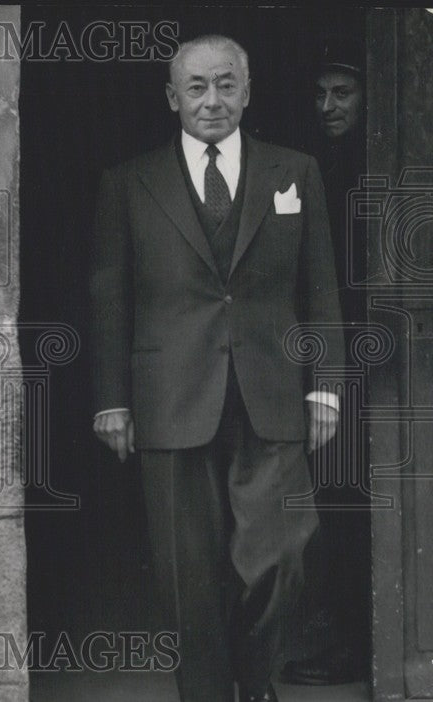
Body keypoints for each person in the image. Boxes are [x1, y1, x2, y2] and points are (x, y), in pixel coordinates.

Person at [90, 34, 344, 702]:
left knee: (285, 552)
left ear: (248, 90)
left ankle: (255, 680)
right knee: (187, 575)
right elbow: (110, 298)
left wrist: (326, 388)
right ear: (173, 98)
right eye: (197, 87)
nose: (213, 101)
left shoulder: (296, 172)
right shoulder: (128, 182)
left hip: (273, 392)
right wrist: (110, 399)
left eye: (226, 84)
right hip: (169, 396)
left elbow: (319, 288)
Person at [281, 33, 370, 687]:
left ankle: (364, 645)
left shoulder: (384, 163)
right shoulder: (312, 166)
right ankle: (347, 638)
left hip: (381, 357)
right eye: (320, 95)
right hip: (334, 358)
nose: (328, 105)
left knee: (359, 500)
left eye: (342, 93)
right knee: (336, 501)